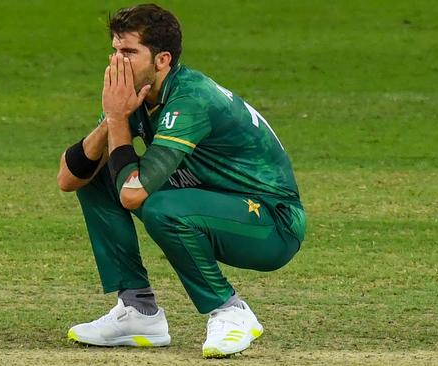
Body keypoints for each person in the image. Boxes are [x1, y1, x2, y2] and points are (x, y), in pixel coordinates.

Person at [58, 3, 306, 358]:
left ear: (163, 60)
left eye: (129, 52)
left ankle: (230, 311)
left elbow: (133, 195)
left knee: (160, 206)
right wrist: (112, 120)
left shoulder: (190, 98)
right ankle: (137, 311)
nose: (116, 62)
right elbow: (69, 179)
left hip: (272, 223)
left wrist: (116, 119)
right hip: (210, 200)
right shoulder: (134, 95)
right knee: (95, 176)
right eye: (114, 50)